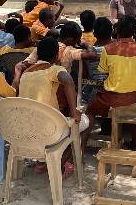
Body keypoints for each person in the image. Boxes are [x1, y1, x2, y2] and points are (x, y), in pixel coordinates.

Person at [13, 37, 89, 176]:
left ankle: (45, 161)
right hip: (48, 130)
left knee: (65, 123)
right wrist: (74, 112)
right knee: (84, 123)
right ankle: (56, 162)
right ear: (55, 56)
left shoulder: (26, 73)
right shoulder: (53, 69)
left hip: (26, 129)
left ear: (37, 55)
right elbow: (67, 79)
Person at [84, 16, 136, 150]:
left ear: (116, 31)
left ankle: (81, 148)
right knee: (130, 112)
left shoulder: (109, 49)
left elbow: (103, 71)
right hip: (133, 96)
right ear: (135, 32)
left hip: (110, 97)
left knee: (90, 111)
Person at [82, 17, 114, 103]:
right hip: (115, 92)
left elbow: (84, 75)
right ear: (112, 32)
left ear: (94, 34)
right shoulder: (118, 50)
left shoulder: (88, 53)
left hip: (94, 94)